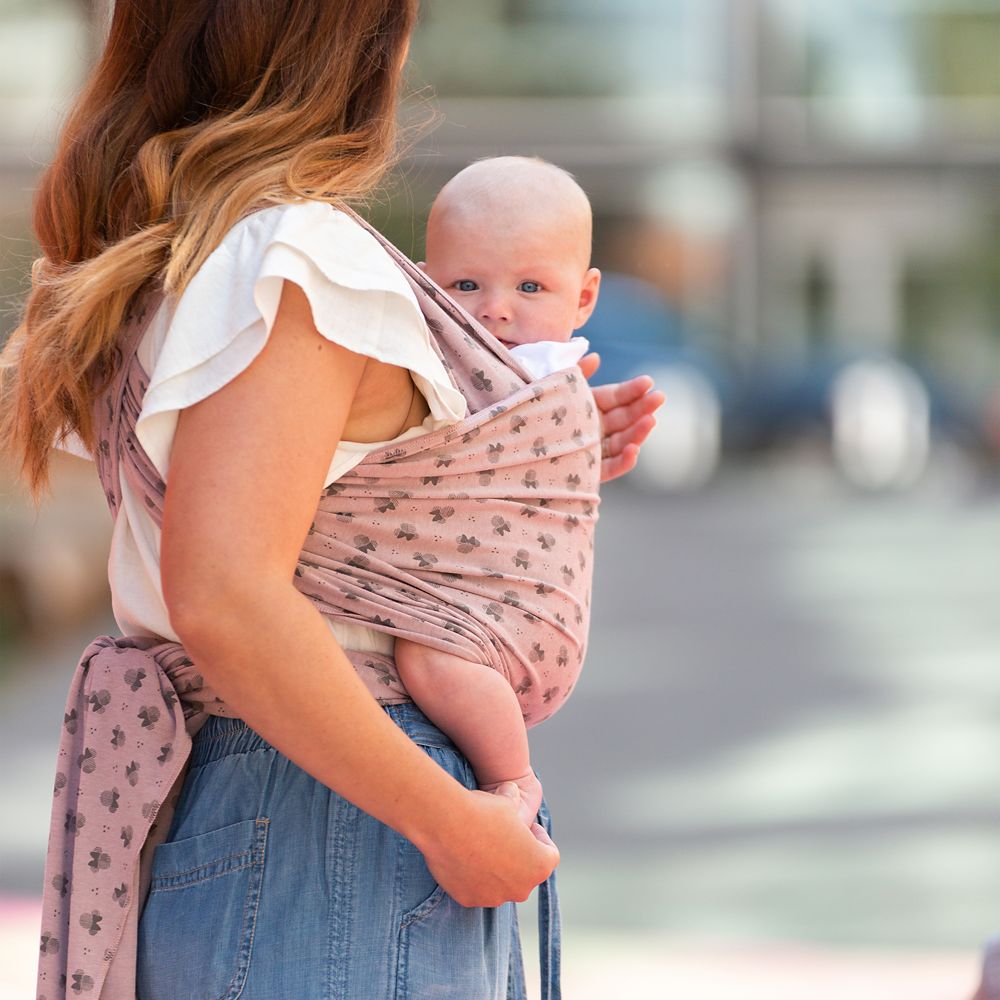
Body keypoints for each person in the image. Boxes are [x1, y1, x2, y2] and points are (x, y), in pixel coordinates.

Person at [0, 3, 663, 997]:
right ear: (355, 46)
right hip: (335, 805)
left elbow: (313, 499)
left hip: (245, 789)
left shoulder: (175, 257)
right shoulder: (299, 253)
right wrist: (448, 819)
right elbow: (226, 589)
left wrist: (507, 470)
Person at [395, 156, 602, 822]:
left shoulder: (546, 372)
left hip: (510, 611)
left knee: (426, 654)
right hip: (464, 581)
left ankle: (513, 781)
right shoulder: (425, 358)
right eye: (466, 283)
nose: (497, 310)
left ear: (584, 297)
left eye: (532, 287)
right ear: (427, 288)